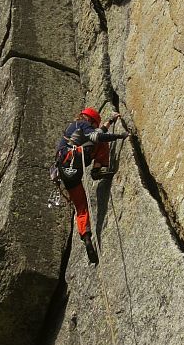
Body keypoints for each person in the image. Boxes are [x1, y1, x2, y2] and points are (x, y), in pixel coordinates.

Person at [55, 107, 129, 264]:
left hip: (65, 171)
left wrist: (110, 121)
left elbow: (93, 135)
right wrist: (119, 136)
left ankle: (87, 237)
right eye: (95, 124)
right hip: (77, 158)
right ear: (91, 120)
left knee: (81, 208)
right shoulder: (82, 124)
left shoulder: (74, 127)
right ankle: (97, 169)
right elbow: (96, 136)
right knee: (102, 142)